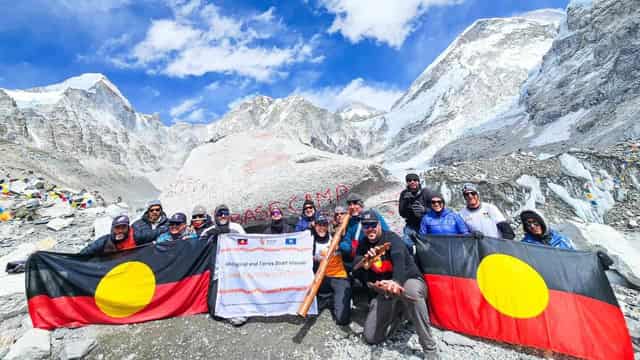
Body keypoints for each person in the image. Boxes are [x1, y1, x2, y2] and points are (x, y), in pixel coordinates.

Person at [354, 211, 438, 358]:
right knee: (371, 337)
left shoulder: (391, 238)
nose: (370, 229)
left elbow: (399, 261)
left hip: (408, 280)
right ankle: (403, 313)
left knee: (411, 292)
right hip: (386, 291)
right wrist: (366, 265)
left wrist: (396, 281)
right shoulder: (363, 244)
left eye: (373, 225)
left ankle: (429, 348)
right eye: (366, 226)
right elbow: (356, 267)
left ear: (379, 225)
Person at [201, 204, 247, 326]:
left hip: (234, 271)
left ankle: (238, 312)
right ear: (215, 216)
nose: (223, 216)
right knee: (214, 309)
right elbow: (199, 245)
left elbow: (247, 244)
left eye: (225, 213)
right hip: (217, 272)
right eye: (219, 214)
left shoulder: (236, 228)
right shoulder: (209, 231)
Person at [312, 215, 351, 325]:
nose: (322, 227)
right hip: (321, 278)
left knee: (342, 320)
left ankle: (334, 298)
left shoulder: (335, 237)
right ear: (314, 226)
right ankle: (326, 297)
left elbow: (348, 249)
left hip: (339, 276)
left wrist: (340, 246)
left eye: (324, 224)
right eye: (319, 225)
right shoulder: (310, 241)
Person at [340, 193, 390, 260]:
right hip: (360, 255)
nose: (352, 207)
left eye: (355, 203)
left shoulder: (373, 215)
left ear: (361, 205)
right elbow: (347, 240)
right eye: (350, 204)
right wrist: (341, 245)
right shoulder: (350, 222)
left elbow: (386, 232)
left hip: (376, 252)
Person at [398, 173, 433, 249]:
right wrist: (406, 203)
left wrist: (424, 209)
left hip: (427, 225)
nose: (412, 182)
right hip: (411, 225)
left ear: (418, 182)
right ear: (407, 182)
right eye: (409, 180)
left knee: (428, 247)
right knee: (406, 244)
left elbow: (435, 209)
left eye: (415, 180)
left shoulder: (426, 192)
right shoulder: (404, 194)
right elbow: (401, 213)